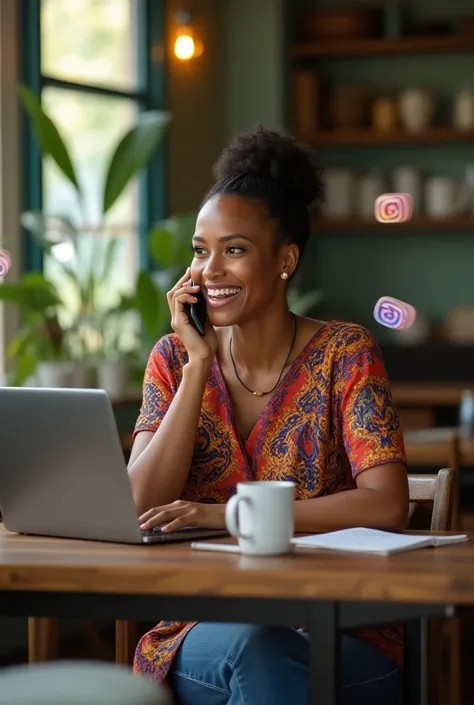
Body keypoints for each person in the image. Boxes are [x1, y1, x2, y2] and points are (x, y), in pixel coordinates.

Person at [128, 126, 408, 705]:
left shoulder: (345, 353)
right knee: (257, 648)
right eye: (200, 251)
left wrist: (221, 513)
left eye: (234, 249)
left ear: (285, 260)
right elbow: (137, 503)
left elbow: (387, 502)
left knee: (271, 656)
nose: (209, 271)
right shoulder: (174, 357)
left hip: (340, 627)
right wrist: (198, 365)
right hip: (201, 629)